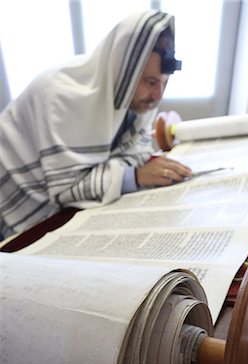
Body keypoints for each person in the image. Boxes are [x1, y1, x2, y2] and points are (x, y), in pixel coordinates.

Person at [0, 10, 191, 240]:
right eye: (151, 82)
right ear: (124, 71)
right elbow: (66, 189)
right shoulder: (60, 95)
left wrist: (140, 169)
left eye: (164, 83)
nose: (158, 95)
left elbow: (133, 153)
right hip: (14, 208)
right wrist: (136, 175)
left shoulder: (135, 99)